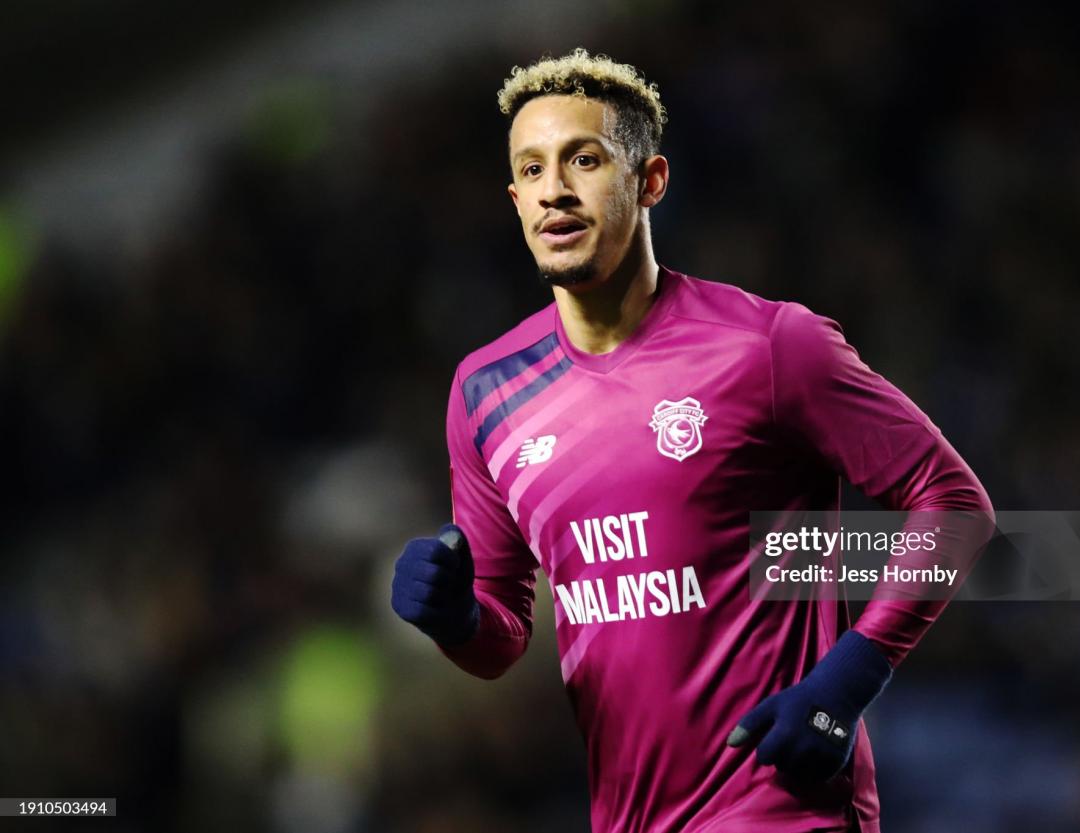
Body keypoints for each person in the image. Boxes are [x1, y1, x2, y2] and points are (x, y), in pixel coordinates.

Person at [391, 48, 994, 833]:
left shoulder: (769, 345)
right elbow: (502, 634)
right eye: (532, 171)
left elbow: (956, 505)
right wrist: (455, 619)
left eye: (584, 159)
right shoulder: (487, 392)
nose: (556, 191)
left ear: (650, 181)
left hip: (782, 805)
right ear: (514, 199)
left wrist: (848, 679)